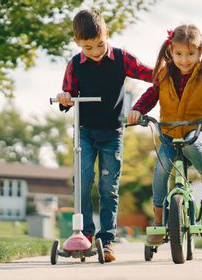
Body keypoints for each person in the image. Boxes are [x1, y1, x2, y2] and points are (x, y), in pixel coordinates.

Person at [127, 24, 202, 245]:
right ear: (171, 51)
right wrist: (137, 110)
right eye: (178, 54)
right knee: (160, 171)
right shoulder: (164, 75)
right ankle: (158, 220)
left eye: (190, 54)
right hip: (168, 133)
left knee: (191, 145)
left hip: (197, 131)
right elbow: (150, 96)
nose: (184, 60)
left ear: (200, 53)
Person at [56, 9, 152, 262]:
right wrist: (65, 98)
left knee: (109, 188)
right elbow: (68, 95)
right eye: (88, 47)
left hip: (112, 133)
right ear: (77, 42)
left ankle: (107, 240)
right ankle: (84, 235)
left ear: (106, 34)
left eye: (100, 45)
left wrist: (173, 72)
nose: (96, 52)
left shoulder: (121, 58)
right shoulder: (75, 64)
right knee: (83, 182)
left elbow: (150, 74)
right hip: (85, 132)